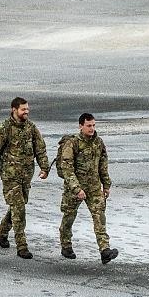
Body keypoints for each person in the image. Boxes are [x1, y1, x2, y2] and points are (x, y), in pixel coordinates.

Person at [0, 97, 50, 259]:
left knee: (17, 207)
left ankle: (2, 231)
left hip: (26, 175)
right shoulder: (2, 129)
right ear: (14, 109)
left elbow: (40, 149)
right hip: (10, 176)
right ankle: (22, 246)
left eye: (27, 109)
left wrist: (44, 167)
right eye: (23, 109)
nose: (26, 111)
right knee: (19, 209)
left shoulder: (31, 128)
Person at [58, 113, 117, 264]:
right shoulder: (72, 144)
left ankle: (104, 250)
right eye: (89, 125)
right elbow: (67, 168)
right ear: (81, 126)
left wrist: (106, 185)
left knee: (99, 217)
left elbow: (103, 165)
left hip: (94, 187)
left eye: (93, 125)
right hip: (74, 188)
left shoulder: (99, 142)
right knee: (69, 217)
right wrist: (77, 189)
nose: (92, 128)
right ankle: (66, 245)